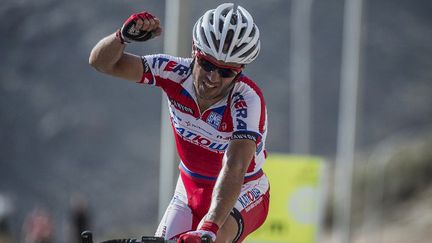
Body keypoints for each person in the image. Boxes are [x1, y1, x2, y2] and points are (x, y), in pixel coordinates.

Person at [89, 3, 269, 243]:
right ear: (195, 50)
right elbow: (102, 63)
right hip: (189, 187)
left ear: (240, 70)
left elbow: (235, 165)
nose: (213, 78)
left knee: (215, 239)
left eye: (226, 72)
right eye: (207, 64)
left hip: (244, 190)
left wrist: (209, 227)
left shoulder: (247, 98)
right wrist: (121, 38)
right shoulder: (173, 71)